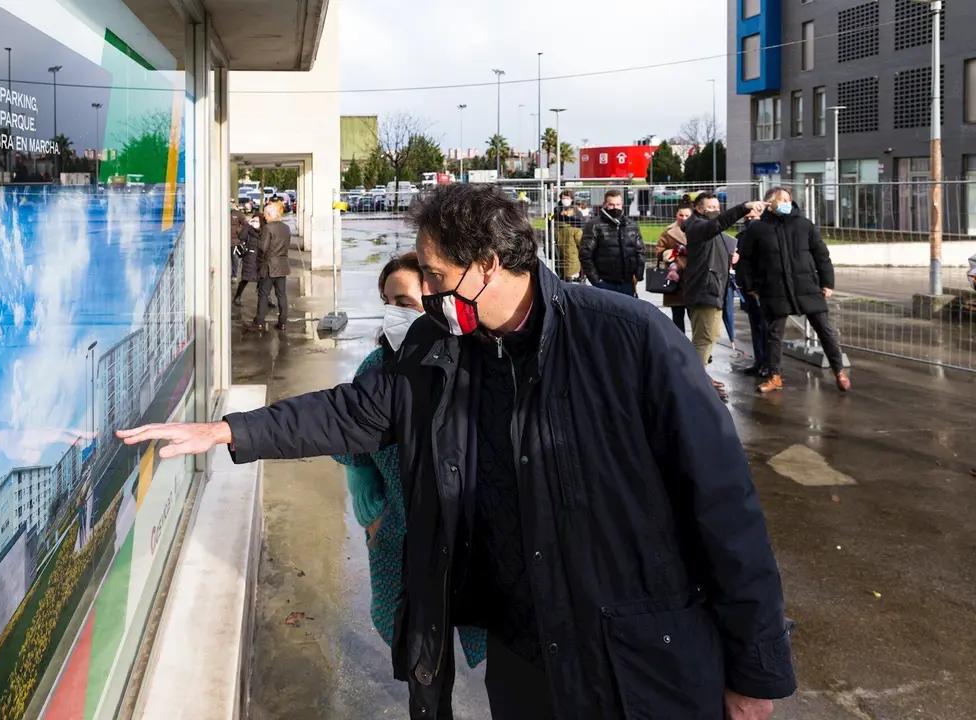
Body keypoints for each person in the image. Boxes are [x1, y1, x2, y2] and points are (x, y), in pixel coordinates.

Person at [119, 183, 796, 720]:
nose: (430, 296)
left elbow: (724, 508)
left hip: (638, 660)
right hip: (524, 657)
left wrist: (755, 671)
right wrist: (227, 431)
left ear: (488, 265)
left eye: (438, 277)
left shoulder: (628, 341)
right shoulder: (438, 352)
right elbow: (352, 411)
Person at [331, 253, 487, 699]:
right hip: (402, 535)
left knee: (492, 640)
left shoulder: (474, 364)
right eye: (387, 301)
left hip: (468, 537)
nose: (394, 312)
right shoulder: (376, 370)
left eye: (405, 300)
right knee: (422, 656)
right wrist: (372, 512)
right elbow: (351, 445)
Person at [739, 187, 851, 393]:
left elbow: (821, 255)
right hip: (774, 288)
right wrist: (751, 287)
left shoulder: (803, 225)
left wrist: (827, 283)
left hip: (806, 286)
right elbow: (746, 260)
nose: (785, 203)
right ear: (768, 203)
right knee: (774, 334)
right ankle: (774, 376)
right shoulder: (757, 229)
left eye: (788, 199)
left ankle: (839, 371)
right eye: (780, 199)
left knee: (825, 331)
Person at [682, 193, 765, 400]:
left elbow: (712, 252)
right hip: (705, 291)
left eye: (717, 206)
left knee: (711, 335)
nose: (715, 210)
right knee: (704, 338)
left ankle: (700, 378)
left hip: (714, 289)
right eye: (710, 207)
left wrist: (730, 256)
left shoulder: (708, 230)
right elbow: (719, 223)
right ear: (699, 209)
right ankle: (695, 383)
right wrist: (744, 207)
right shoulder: (699, 227)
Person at [579, 189, 644, 297]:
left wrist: (638, 274)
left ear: (622, 204)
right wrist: (596, 281)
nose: (615, 208)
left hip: (628, 282)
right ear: (605, 204)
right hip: (605, 282)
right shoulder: (594, 225)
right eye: (611, 205)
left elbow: (640, 251)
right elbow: (585, 254)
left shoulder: (631, 225)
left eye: (618, 204)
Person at [734, 206, 769, 378]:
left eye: (753, 217)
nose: (749, 220)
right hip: (746, 288)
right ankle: (759, 361)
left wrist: (756, 287)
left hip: (760, 289)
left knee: (765, 327)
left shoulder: (764, 236)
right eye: (747, 217)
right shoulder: (741, 237)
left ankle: (768, 364)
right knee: (755, 326)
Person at [245, 203, 290, 331]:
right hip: (282, 264)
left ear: (270, 215)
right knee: (281, 294)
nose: (264, 218)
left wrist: (258, 261)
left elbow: (263, 248)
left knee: (263, 293)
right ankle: (282, 322)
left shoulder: (268, 228)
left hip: (269, 266)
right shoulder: (286, 228)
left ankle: (259, 321)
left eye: (265, 215)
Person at [657, 202, 692, 332]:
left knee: (696, 317)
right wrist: (669, 254)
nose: (683, 218)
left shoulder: (699, 230)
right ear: (676, 215)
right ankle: (680, 347)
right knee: (677, 317)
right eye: (681, 215)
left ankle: (699, 348)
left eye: (687, 215)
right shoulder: (668, 232)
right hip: (675, 279)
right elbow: (659, 250)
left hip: (693, 278)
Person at [551, 189, 585, 281]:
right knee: (560, 262)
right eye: (563, 198)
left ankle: (578, 276)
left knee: (573, 260)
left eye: (567, 198)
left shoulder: (576, 211)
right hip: (560, 239)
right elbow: (552, 220)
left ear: (572, 199)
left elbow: (581, 222)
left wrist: (570, 216)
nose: (565, 199)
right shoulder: (557, 209)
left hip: (572, 240)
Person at [233, 211, 263, 306]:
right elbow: (241, 236)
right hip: (249, 257)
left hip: (261, 257)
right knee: (246, 278)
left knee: (263, 279)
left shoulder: (264, 230)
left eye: (257, 221)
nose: (255, 223)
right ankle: (237, 296)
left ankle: (266, 298)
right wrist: (247, 225)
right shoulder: (248, 229)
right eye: (253, 220)